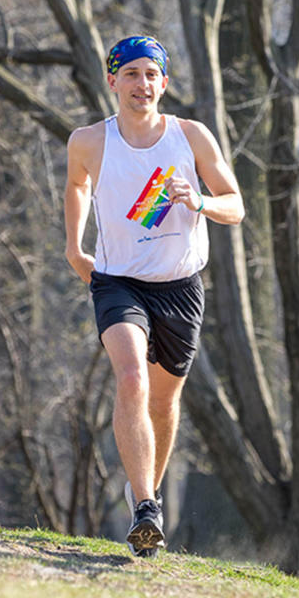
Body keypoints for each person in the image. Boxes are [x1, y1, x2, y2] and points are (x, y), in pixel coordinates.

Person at [64, 35, 245, 557]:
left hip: (181, 288)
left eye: (151, 75)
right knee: (132, 377)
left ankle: (149, 494)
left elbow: (236, 206)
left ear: (164, 83)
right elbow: (77, 186)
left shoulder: (191, 137)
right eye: (132, 74)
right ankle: (144, 507)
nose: (142, 84)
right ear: (112, 80)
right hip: (118, 281)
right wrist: (75, 247)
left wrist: (203, 201)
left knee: (164, 402)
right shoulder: (89, 141)